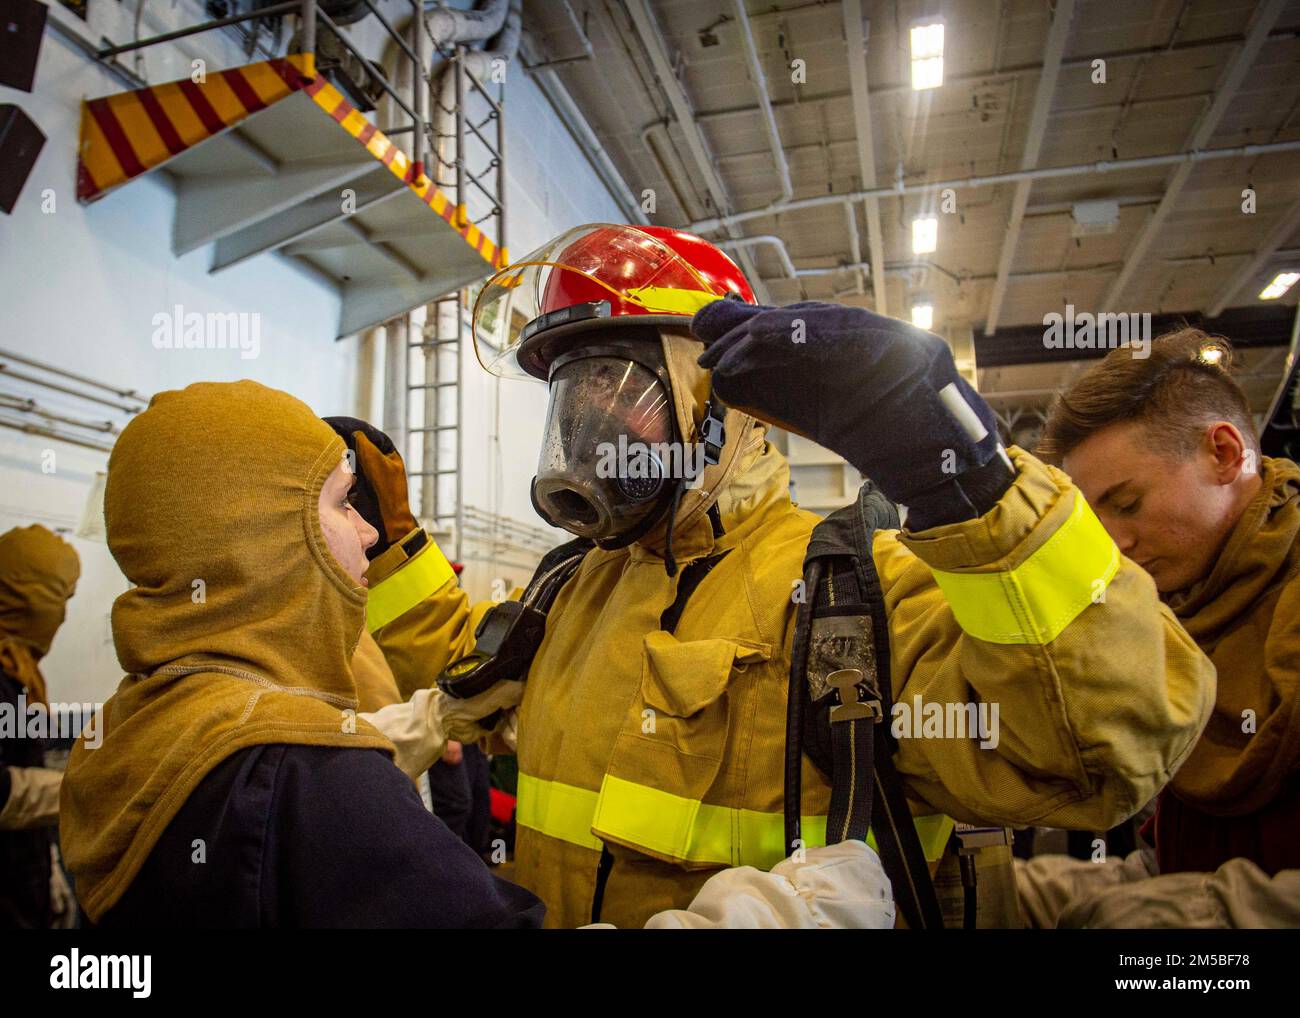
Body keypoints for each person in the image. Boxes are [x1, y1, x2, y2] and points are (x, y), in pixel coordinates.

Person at [342, 223, 1216, 928]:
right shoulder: (573, 588)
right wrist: (394, 552)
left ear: (725, 405)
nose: (589, 434)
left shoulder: (861, 587)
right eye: (573, 401)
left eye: (618, 392)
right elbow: (464, 673)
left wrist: (974, 481)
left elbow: (1105, 747)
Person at [58, 380, 540, 928]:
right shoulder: (312, 774)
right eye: (342, 503)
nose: (367, 532)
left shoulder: (126, 726)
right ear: (265, 535)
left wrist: (428, 721)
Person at [1018, 329, 1300, 928]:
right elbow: (1163, 863)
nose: (1114, 547)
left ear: (1224, 454)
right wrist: (998, 888)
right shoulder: (1182, 619)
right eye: (1096, 521)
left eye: (1127, 503)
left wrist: (1196, 916)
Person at [0, 524, 80, 928]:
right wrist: (80, 789)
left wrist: (48, 869)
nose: (61, 617)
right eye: (58, 600)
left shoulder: (18, 674)